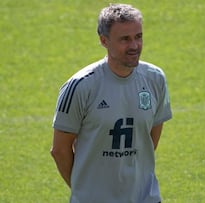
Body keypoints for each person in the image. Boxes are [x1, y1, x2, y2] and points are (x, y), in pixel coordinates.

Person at [50, 4, 172, 203]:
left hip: (145, 198)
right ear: (103, 40)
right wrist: (85, 188)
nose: (134, 46)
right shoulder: (80, 86)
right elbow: (60, 150)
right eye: (125, 39)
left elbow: (149, 141)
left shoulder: (155, 79)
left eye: (138, 37)